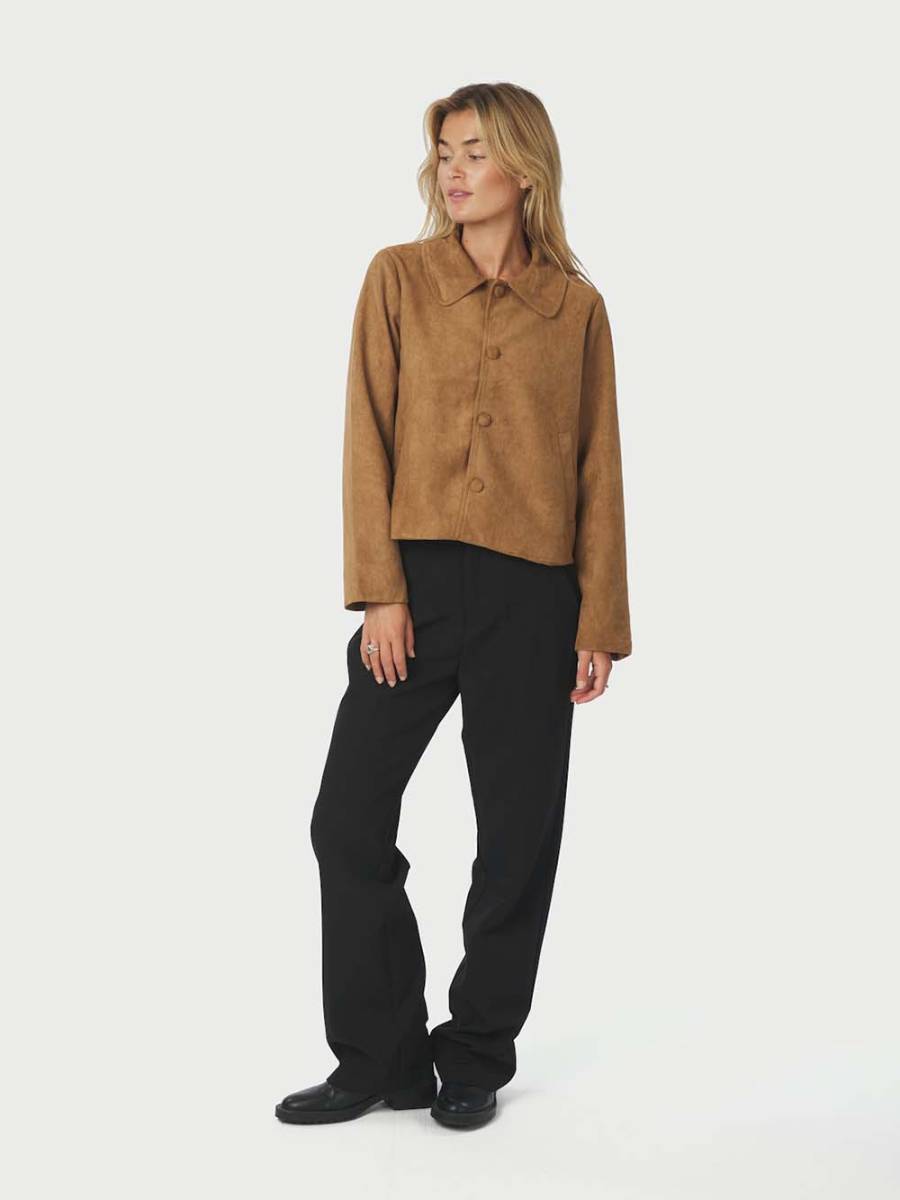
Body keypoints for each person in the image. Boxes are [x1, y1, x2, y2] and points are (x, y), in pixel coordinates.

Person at [275, 81, 632, 1129]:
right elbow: (366, 437)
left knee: (518, 836)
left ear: (525, 165)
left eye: (476, 150)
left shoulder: (575, 309)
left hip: (535, 596)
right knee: (348, 820)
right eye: (444, 152)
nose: (455, 169)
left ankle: (475, 1053)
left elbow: (599, 469)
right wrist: (379, 591)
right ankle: (380, 1057)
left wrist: (599, 621)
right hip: (417, 589)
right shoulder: (399, 278)